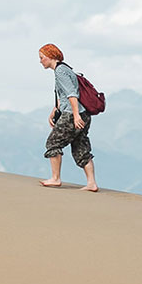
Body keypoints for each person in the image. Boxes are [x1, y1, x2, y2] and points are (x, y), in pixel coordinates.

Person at [38, 43, 98, 192]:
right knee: (80, 147)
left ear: (50, 56)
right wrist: (55, 109)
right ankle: (91, 183)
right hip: (83, 114)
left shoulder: (60, 72)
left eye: (42, 57)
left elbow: (72, 94)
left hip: (72, 114)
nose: (40, 61)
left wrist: (76, 116)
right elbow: (64, 95)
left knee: (53, 143)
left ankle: (55, 178)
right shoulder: (66, 69)